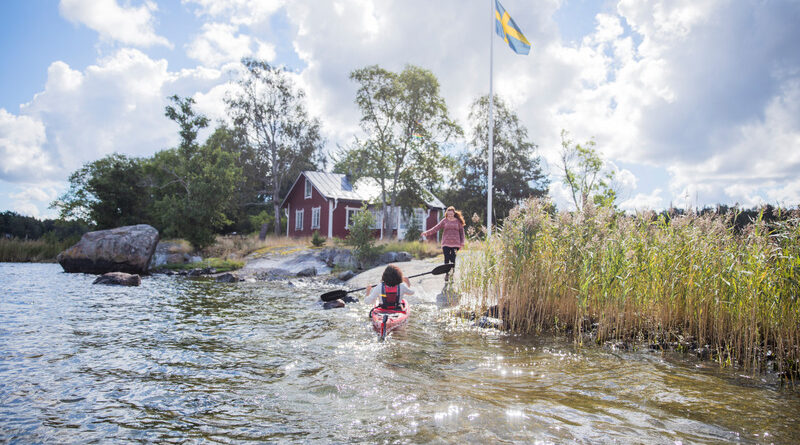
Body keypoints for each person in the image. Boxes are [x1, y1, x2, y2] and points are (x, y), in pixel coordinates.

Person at [421, 206, 465, 282]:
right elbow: (436, 228)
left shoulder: (458, 221)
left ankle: (452, 274)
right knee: (446, 258)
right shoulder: (444, 221)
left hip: (456, 243)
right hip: (446, 243)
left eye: (451, 214)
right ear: (446, 214)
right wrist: (427, 233)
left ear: (454, 213)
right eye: (448, 214)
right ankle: (447, 274)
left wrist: (462, 242)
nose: (450, 216)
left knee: (453, 259)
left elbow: (462, 233)